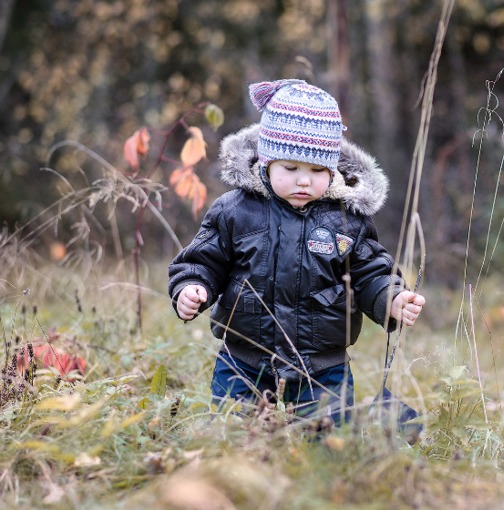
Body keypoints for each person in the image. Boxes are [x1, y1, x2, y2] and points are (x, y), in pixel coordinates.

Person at [168, 79, 425, 425]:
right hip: (244, 356)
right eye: (291, 169)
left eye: (317, 171)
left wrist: (390, 299)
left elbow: (370, 273)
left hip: (322, 363)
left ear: (332, 169)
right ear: (267, 162)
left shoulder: (346, 219)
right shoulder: (236, 210)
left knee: (327, 434)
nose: (304, 181)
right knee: (233, 428)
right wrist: (191, 288)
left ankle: (333, 450)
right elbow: (204, 259)